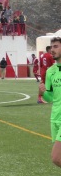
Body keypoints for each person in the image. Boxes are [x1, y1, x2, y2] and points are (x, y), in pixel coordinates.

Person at [38, 37, 61, 168]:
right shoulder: (50, 71)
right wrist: (43, 92)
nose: (52, 50)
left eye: (56, 46)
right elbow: (50, 98)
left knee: (56, 157)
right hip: (55, 118)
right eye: (51, 47)